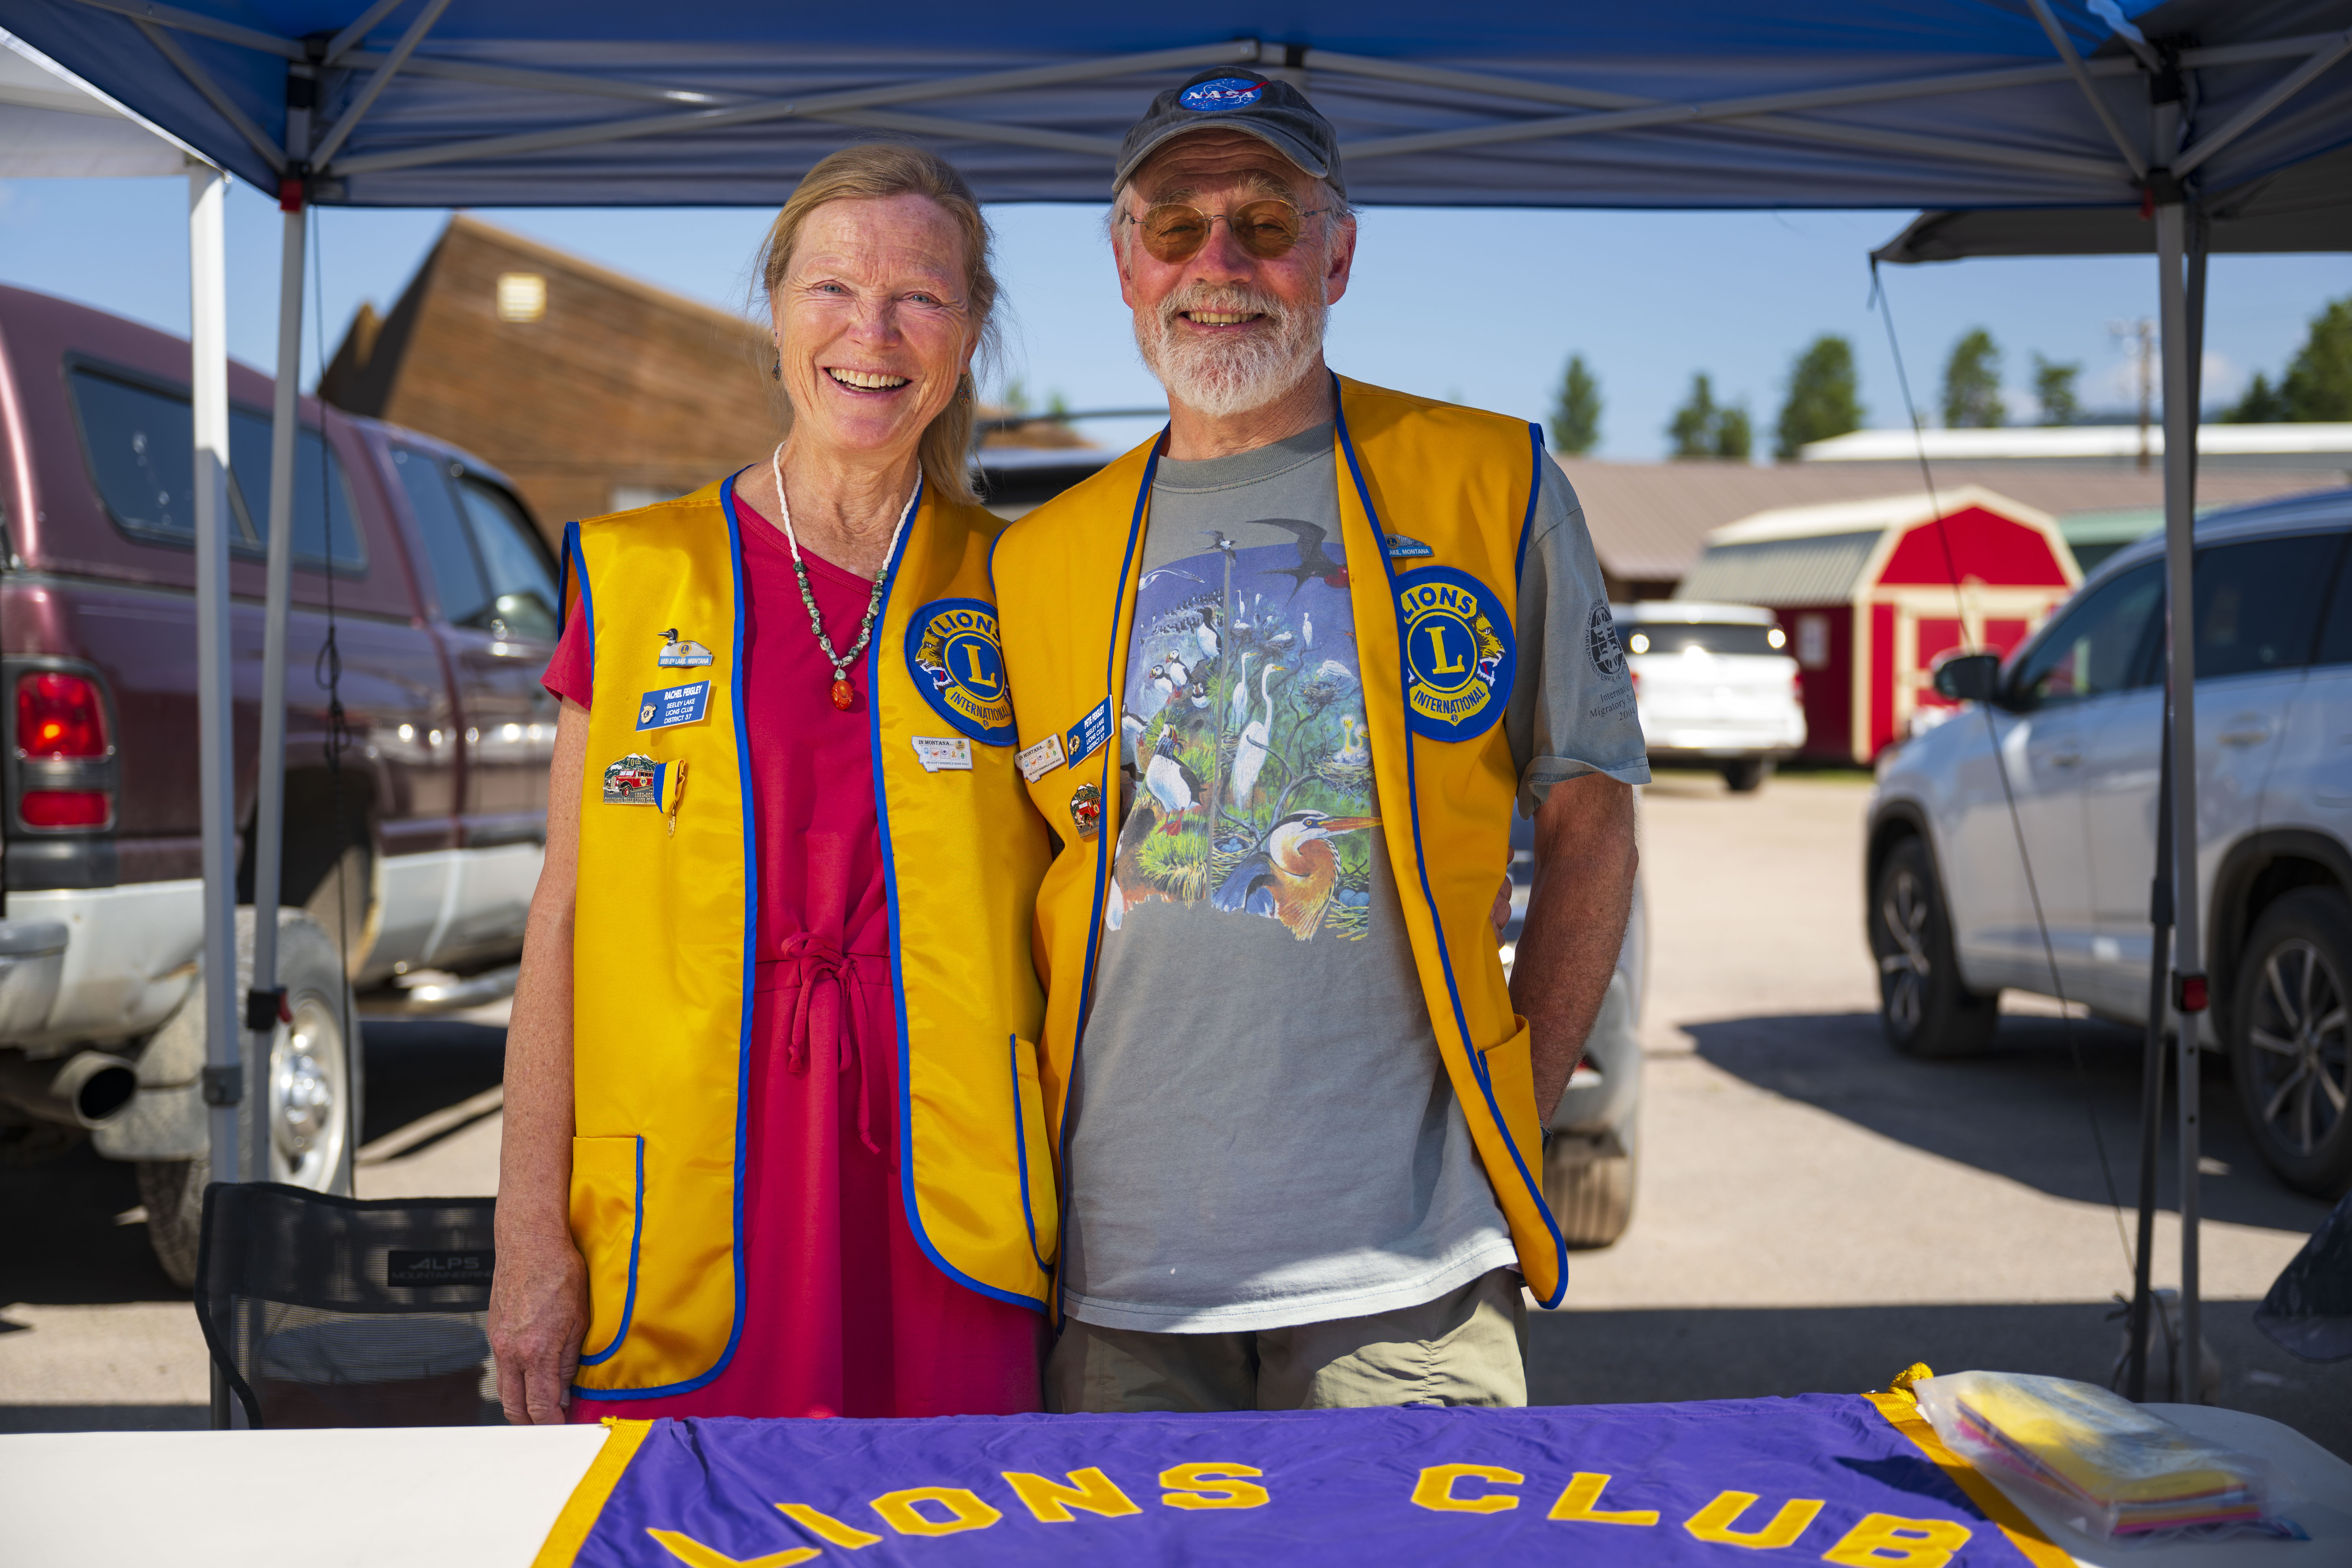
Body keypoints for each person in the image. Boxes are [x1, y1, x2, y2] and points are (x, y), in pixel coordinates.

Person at [993, 70, 1645, 1413]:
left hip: (1407, 1273)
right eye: (1174, 227)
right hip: (1116, 1277)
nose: (1217, 264)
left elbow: (1592, 811)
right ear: (1126, 265)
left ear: (1337, 253)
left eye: (1267, 223)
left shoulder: (1492, 480)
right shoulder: (1034, 560)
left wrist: (1515, 1094)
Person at [488, 144, 1057, 1423]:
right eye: (831, 289)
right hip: (687, 1198)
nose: (873, 330)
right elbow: (564, 922)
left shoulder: (1030, 585)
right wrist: (529, 1236)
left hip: (951, 1203)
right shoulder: (636, 576)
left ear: (969, 331)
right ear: (775, 305)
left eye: (921, 294)